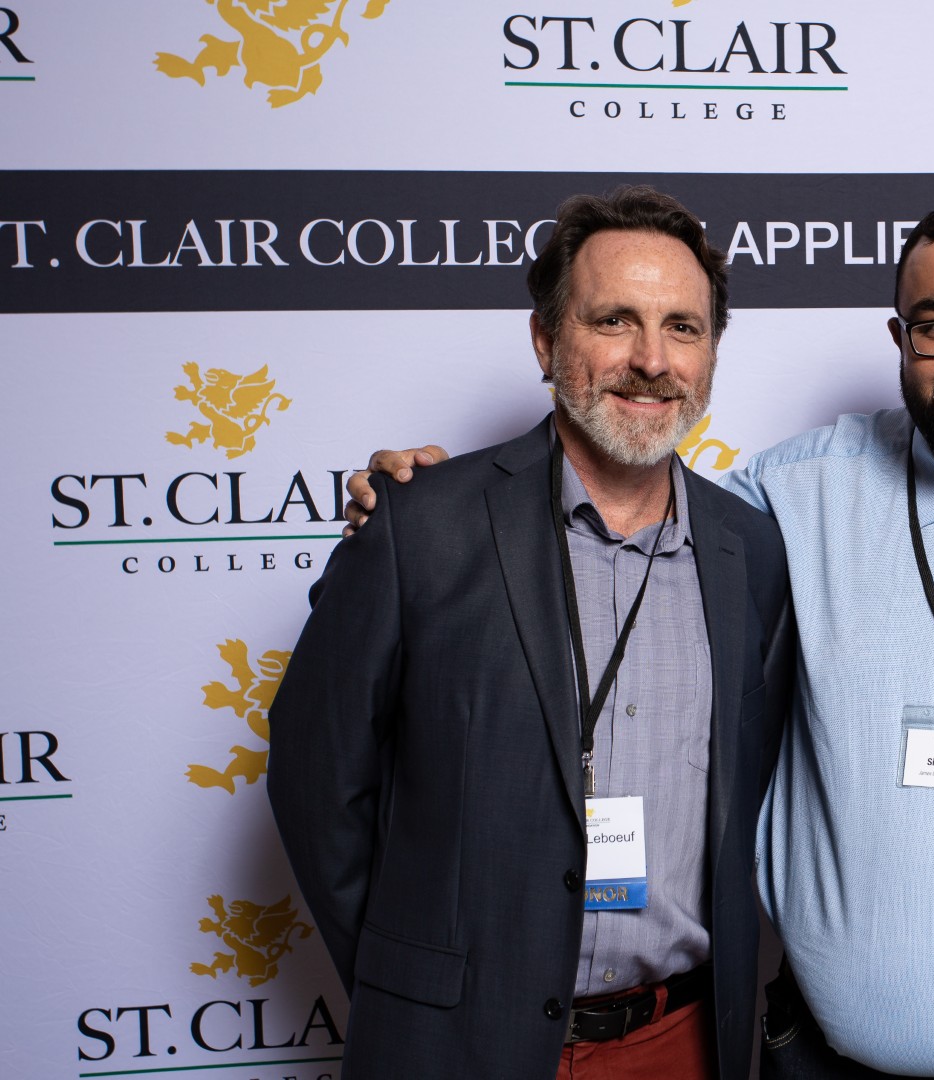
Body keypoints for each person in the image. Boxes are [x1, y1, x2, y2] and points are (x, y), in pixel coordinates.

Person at [350, 194, 934, 1079]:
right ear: (901, 339)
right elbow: (619, 507)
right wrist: (441, 506)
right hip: (832, 1064)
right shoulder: (785, 498)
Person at [266, 186, 795, 1080]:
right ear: (546, 341)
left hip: (681, 1043)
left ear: (711, 353)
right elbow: (317, 780)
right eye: (614, 321)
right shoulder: (422, 526)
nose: (651, 359)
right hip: (456, 1048)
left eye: (683, 328)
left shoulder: (753, 551)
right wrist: (414, 986)